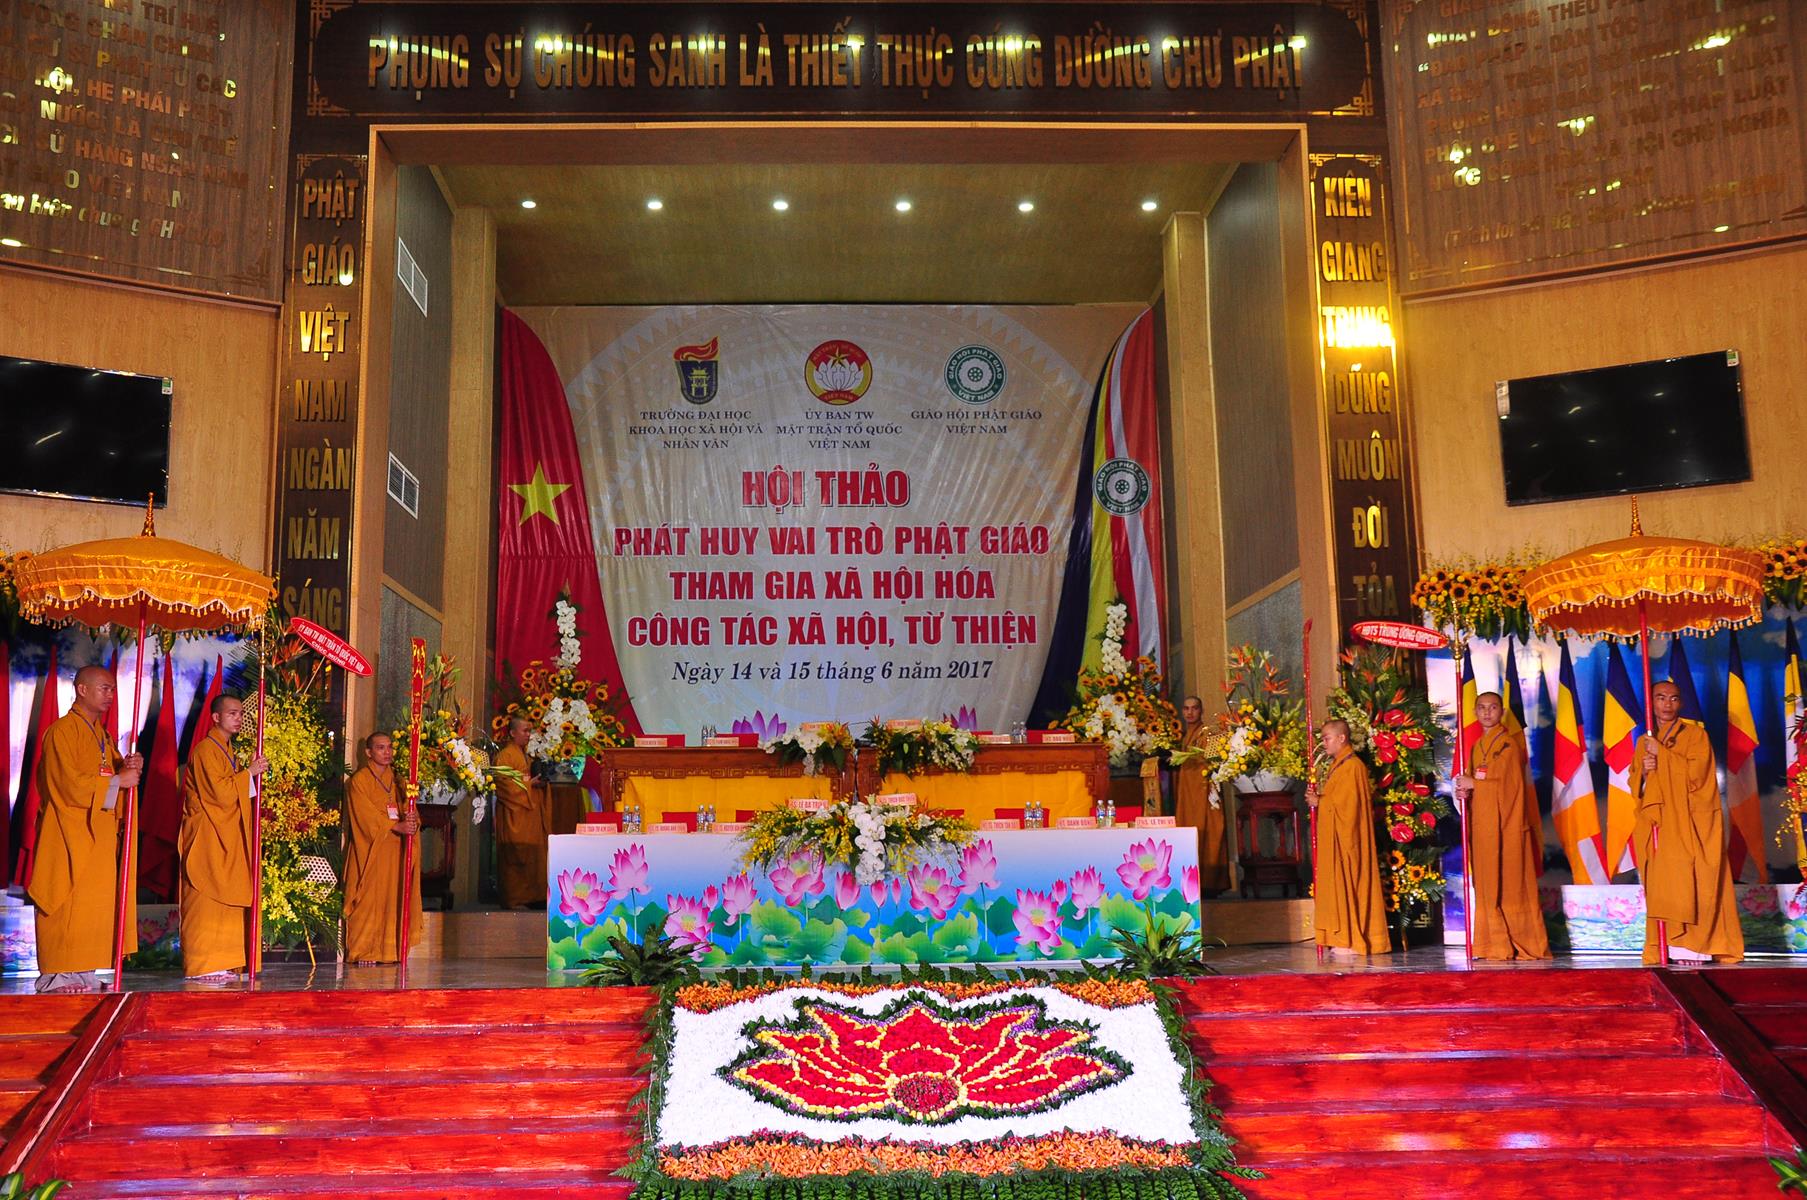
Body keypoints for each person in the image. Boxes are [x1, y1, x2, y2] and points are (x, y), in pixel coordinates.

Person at [28, 665, 142, 993]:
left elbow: (111, 780)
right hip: (69, 831)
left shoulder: (103, 737)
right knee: (67, 899)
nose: (111, 695)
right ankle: (57, 975)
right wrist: (118, 781)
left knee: (93, 903)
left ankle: (83, 971)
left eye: (112, 689)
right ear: (82, 689)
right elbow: (66, 785)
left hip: (98, 833)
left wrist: (127, 767)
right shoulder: (62, 731)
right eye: (104, 688)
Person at [1633, 680, 1743, 965]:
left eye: (1673, 698)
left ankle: (1695, 948)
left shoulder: (1695, 735)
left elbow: (1698, 778)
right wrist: (1645, 773)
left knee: (1694, 879)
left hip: (1690, 822)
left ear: (1680, 703)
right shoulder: (1644, 742)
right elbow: (1638, 788)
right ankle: (1665, 946)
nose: (1667, 704)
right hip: (1661, 824)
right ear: (1651, 703)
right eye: (1660, 698)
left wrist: (1663, 756)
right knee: (1664, 884)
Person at [178, 693, 269, 979]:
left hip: (225, 835)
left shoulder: (227, 752)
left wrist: (248, 775)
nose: (239, 719)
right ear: (216, 717)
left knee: (226, 898)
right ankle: (203, 964)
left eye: (241, 714)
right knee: (206, 896)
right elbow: (219, 794)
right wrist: (249, 773)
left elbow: (234, 791)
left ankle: (222, 961)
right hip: (207, 836)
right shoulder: (206, 750)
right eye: (232, 713)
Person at [1454, 692, 1551, 961]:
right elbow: (1477, 783)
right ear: (1475, 712)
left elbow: (1510, 788)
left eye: (1493, 707)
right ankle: (1491, 944)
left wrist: (1476, 785)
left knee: (1509, 884)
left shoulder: (1508, 746)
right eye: (1482, 708)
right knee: (1486, 884)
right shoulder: (1477, 747)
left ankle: (1518, 942)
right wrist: (1466, 792)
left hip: (1506, 828)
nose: (1487, 713)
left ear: (1502, 712)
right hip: (1484, 828)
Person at [1306, 718, 1390, 956]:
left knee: (1349, 885)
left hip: (1348, 840)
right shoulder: (1339, 765)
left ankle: (1351, 938)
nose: (1324, 744)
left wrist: (1320, 802)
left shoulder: (1353, 766)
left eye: (1327, 738)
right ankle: (1341, 936)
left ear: (1342, 738)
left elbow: (1349, 808)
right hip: (1337, 840)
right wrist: (1321, 799)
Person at [343, 732, 422, 964]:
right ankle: (364, 951)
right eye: (380, 748)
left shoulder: (399, 781)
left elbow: (412, 812)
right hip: (372, 851)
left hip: (396, 851)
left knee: (394, 899)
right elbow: (364, 817)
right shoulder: (359, 781)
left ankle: (392, 950)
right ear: (368, 752)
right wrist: (395, 826)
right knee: (368, 899)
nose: (387, 752)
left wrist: (412, 820)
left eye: (389, 747)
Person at [1171, 694, 1230, 895]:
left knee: (1209, 832)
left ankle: (1210, 882)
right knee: (1188, 832)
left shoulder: (1209, 733)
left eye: (1194, 708)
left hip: (1204, 792)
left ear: (1201, 711)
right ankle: (1190, 882)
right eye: (1186, 708)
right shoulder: (1185, 736)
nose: (1190, 712)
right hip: (1188, 795)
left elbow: (1215, 763)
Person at [493, 716, 548, 909]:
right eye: (525, 730)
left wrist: (538, 784)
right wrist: (529, 784)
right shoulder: (505, 755)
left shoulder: (526, 755)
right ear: (512, 732)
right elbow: (502, 784)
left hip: (529, 815)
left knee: (534, 855)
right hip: (513, 815)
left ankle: (534, 896)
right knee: (515, 856)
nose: (528, 735)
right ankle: (515, 899)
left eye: (529, 731)